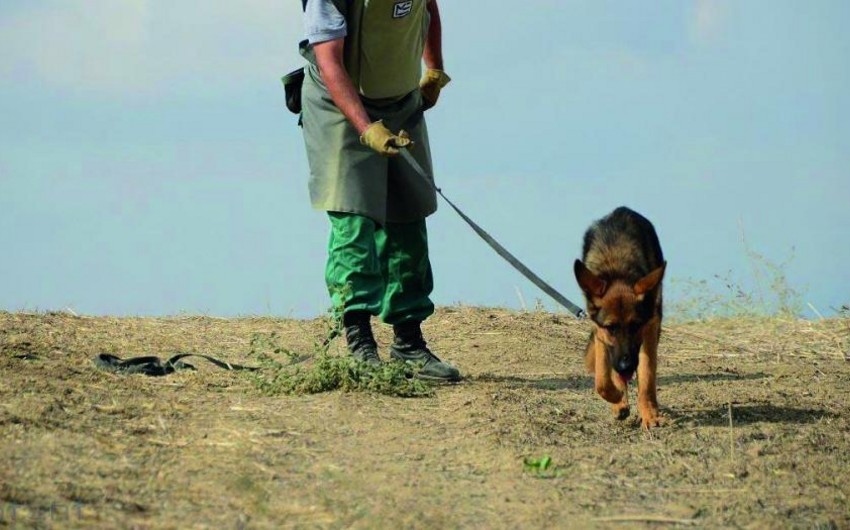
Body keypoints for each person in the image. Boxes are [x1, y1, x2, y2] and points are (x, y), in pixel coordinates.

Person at [299, 0, 460, 381]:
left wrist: (434, 68)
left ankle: (409, 343)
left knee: (408, 216)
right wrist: (366, 127)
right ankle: (359, 343)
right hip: (339, 104)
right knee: (354, 219)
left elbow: (427, 8)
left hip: (400, 100)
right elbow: (329, 61)